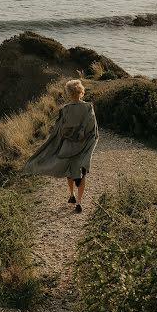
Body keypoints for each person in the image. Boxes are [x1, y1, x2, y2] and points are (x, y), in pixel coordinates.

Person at [24, 79, 98, 213]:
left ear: (69, 93)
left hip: (67, 147)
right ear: (81, 92)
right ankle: (79, 203)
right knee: (81, 173)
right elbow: (93, 130)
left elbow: (59, 131)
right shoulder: (88, 108)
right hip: (83, 147)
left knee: (69, 172)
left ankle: (72, 195)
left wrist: (52, 144)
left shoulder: (65, 109)